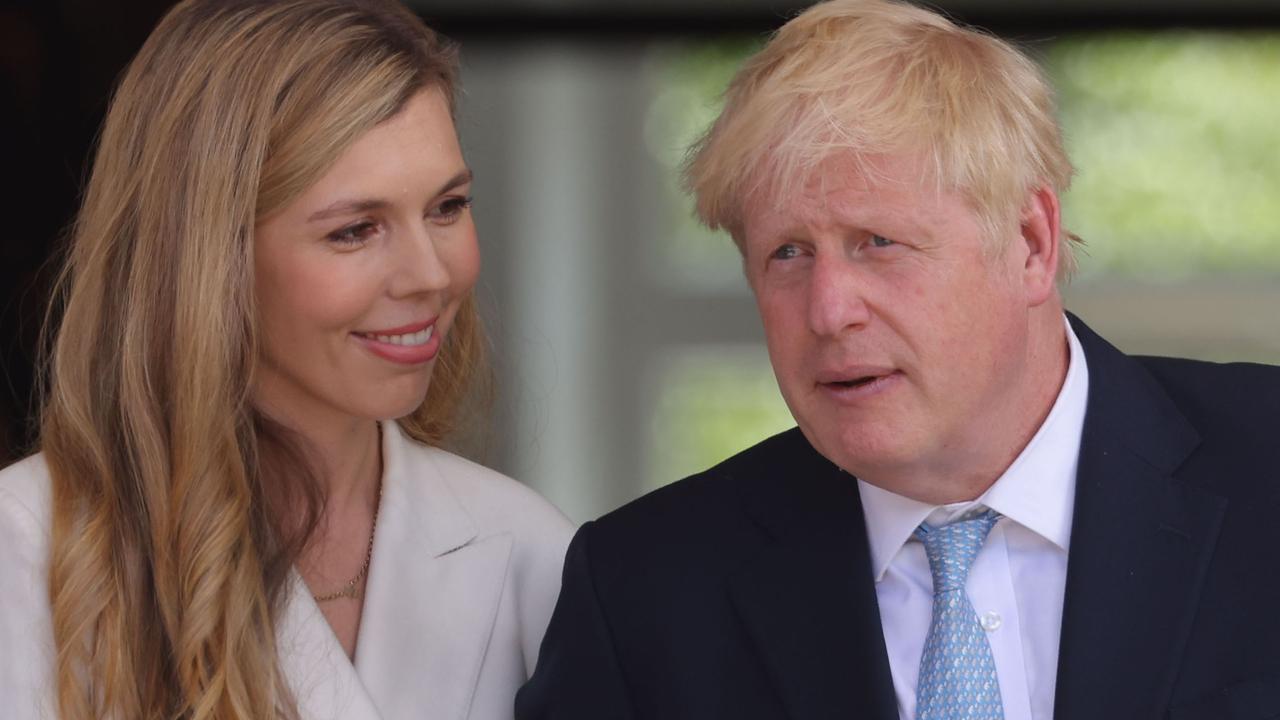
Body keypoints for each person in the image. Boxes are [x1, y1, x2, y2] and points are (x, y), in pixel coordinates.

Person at [516, 1, 1280, 718]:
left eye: (877, 243)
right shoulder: (645, 592)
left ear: (1030, 244)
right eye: (787, 253)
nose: (827, 309)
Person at [0, 1, 573, 718]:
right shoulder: (23, 551)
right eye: (356, 230)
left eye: (448, 207)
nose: (430, 274)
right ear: (208, 257)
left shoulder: (531, 552)